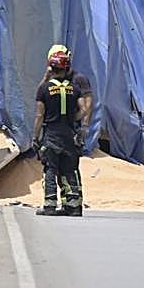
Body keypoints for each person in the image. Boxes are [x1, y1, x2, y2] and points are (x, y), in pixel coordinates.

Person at [32, 45, 86, 217]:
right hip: (69, 134)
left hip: (52, 134)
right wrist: (73, 119)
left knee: (50, 169)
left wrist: (35, 137)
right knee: (70, 169)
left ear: (51, 67)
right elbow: (84, 110)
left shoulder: (44, 89)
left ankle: (50, 204)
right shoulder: (74, 88)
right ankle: (73, 206)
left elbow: (39, 115)